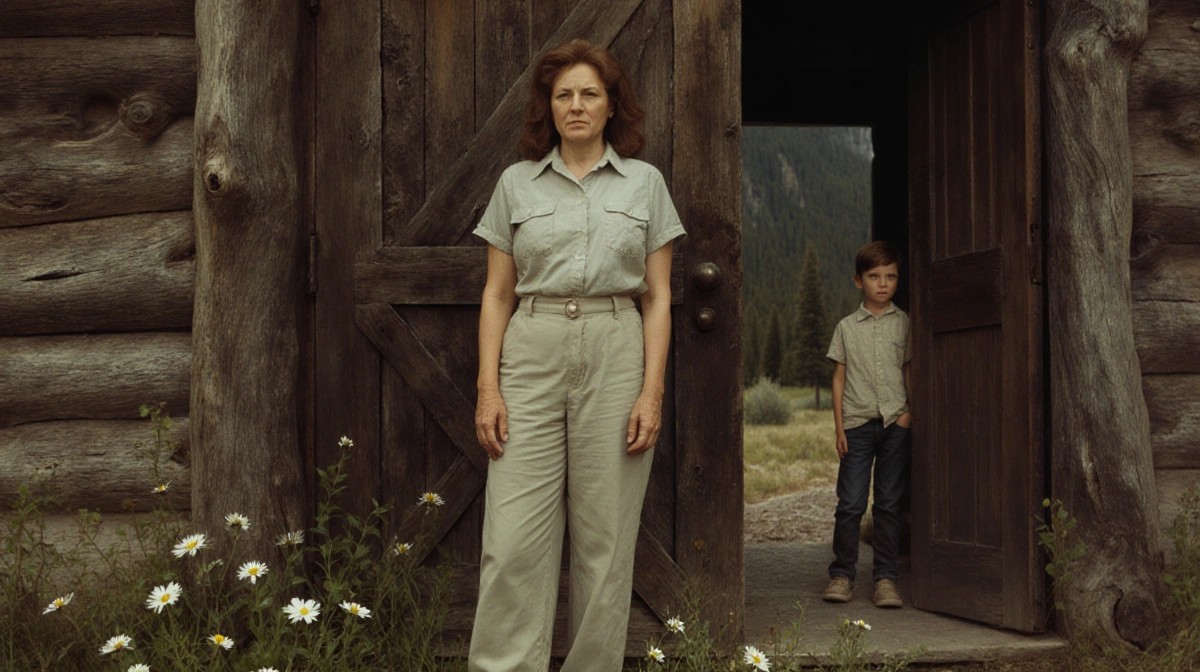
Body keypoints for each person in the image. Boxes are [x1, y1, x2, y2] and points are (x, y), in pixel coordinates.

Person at [468, 39, 685, 671]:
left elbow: (659, 297)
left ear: (612, 105)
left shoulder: (646, 184)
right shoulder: (516, 184)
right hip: (530, 352)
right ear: (549, 106)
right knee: (511, 540)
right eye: (563, 95)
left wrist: (651, 392)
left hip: (616, 350)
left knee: (605, 542)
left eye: (590, 93)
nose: (577, 105)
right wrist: (488, 388)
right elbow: (497, 294)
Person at [822, 241, 912, 608]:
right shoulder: (846, 328)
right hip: (856, 425)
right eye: (874, 276)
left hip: (895, 424)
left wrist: (909, 414)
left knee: (889, 504)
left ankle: (886, 580)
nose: (883, 284)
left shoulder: (905, 323)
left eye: (891, 276)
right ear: (859, 281)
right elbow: (838, 380)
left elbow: (909, 370)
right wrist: (840, 429)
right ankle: (842, 575)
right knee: (851, 504)